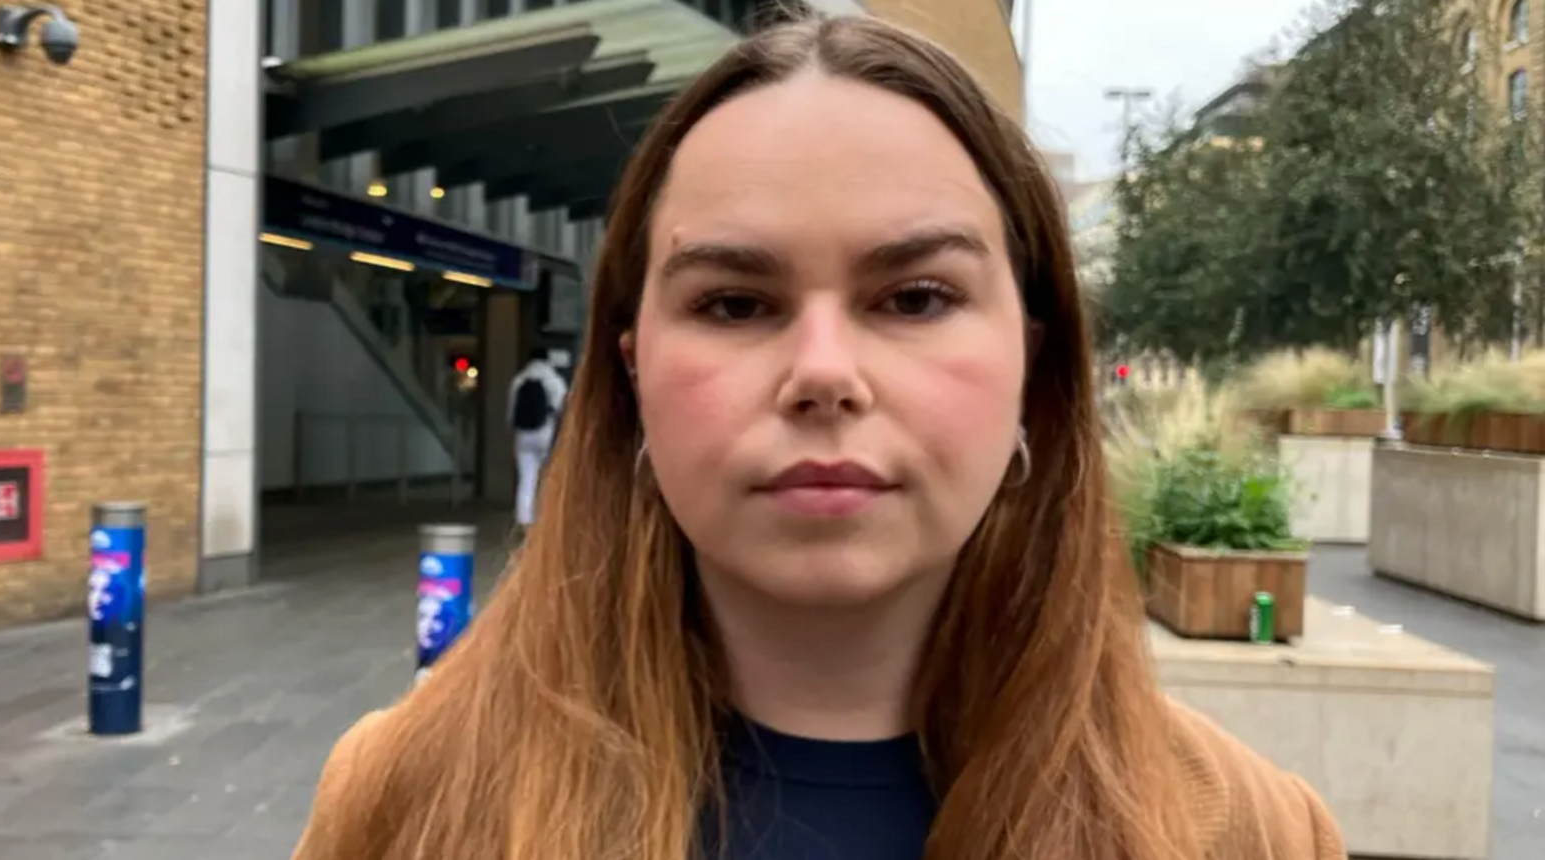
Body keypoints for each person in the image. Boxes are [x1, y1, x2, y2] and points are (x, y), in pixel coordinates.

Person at [291, 13, 1346, 860]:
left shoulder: (1254, 833)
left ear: (1035, 366)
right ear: (630, 366)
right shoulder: (399, 800)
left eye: (918, 296)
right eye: (736, 303)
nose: (825, 373)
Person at [506, 347, 567, 527]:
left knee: (527, 478)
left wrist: (512, 427)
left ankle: (524, 519)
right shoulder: (553, 380)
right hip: (546, 432)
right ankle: (546, 517)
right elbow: (563, 406)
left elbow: (511, 411)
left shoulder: (519, 380)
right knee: (548, 476)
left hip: (523, 435)